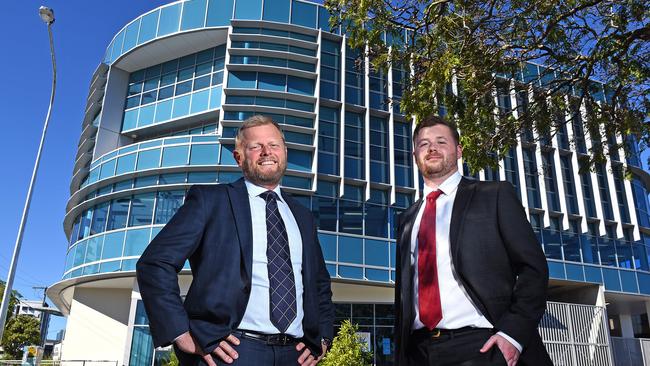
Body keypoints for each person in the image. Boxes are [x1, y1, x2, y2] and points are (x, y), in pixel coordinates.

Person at [137, 115, 334, 366]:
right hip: (230, 352)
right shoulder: (210, 201)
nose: (266, 152)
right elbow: (155, 263)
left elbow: (319, 284)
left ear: (284, 151)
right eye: (255, 146)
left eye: (273, 145)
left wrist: (323, 338)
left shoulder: (303, 217)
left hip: (295, 355)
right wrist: (180, 332)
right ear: (239, 157)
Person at [394, 115, 552, 366]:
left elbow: (533, 268)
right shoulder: (406, 219)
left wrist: (513, 334)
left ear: (458, 151)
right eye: (423, 144)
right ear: (415, 156)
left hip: (482, 346)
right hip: (419, 352)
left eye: (441, 141)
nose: (432, 148)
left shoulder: (494, 196)